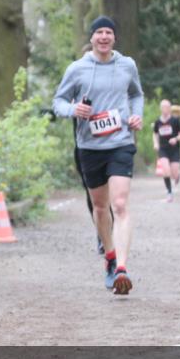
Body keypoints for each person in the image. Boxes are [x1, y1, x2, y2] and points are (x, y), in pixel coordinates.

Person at [53, 16, 144, 294]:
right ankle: (110, 256)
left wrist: (137, 114)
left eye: (109, 32)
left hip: (120, 142)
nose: (104, 37)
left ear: (114, 38)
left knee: (120, 204)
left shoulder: (127, 65)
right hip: (90, 146)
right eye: (99, 32)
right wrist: (73, 110)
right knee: (101, 207)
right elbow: (58, 102)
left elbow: (136, 94)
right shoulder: (77, 69)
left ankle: (122, 269)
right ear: (91, 38)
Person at [72, 43, 108, 255]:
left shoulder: (110, 86)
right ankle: (101, 231)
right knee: (92, 194)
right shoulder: (75, 84)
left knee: (110, 193)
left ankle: (107, 234)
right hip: (84, 149)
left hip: (110, 147)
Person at [152, 99, 180, 202]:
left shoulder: (175, 120)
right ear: (160, 108)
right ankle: (169, 193)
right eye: (163, 107)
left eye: (167, 107)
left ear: (170, 108)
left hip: (174, 149)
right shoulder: (158, 121)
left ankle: (177, 175)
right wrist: (156, 143)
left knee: (174, 174)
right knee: (166, 171)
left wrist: (176, 139)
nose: (165, 109)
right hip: (163, 149)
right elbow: (155, 134)